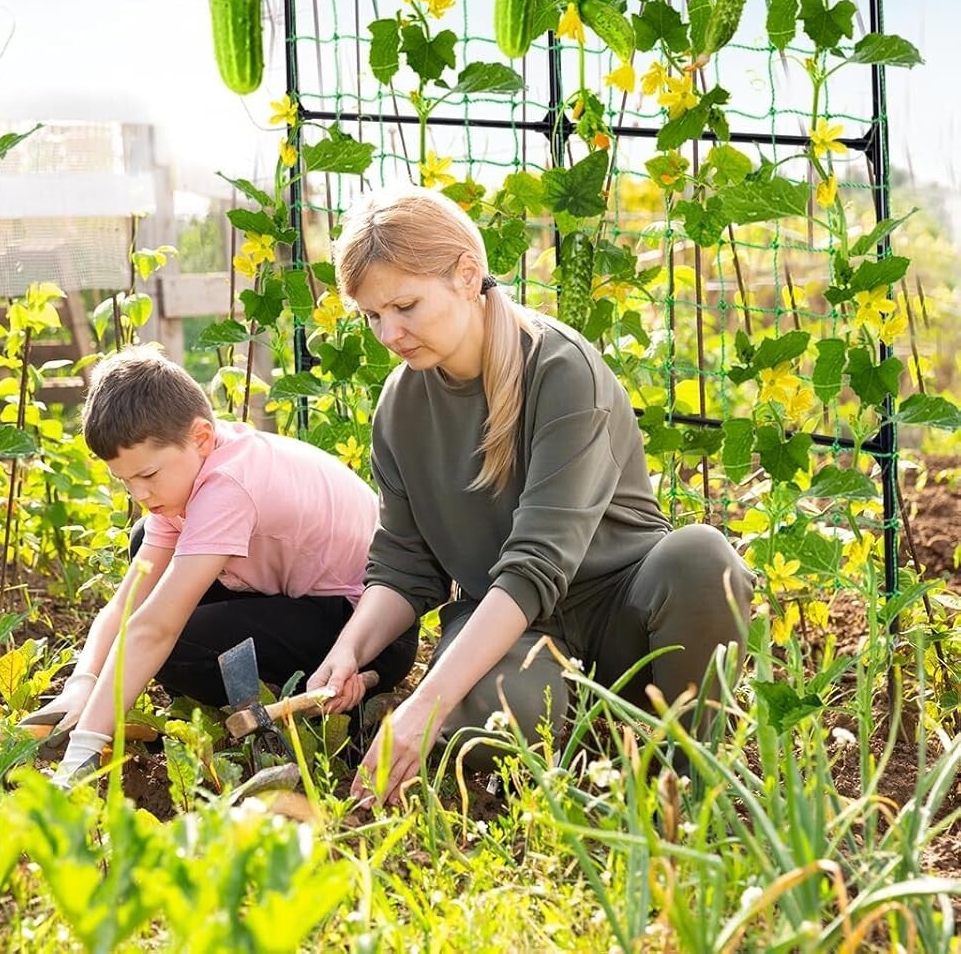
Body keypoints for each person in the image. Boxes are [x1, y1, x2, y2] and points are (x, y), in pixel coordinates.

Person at [307, 188, 753, 806]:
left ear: (467, 275)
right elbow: (406, 566)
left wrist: (425, 705)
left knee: (705, 560)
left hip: (621, 613)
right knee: (502, 718)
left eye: (405, 305)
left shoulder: (561, 369)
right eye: (372, 316)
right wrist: (349, 651)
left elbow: (535, 567)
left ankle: (684, 779)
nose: (390, 332)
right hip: (512, 633)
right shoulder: (401, 406)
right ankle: (584, 753)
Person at [25, 346, 418, 784]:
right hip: (304, 603)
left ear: (201, 437)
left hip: (370, 634)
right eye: (126, 481)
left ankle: (311, 721)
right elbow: (126, 607)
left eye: (148, 476)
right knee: (145, 546)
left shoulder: (228, 485)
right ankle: (215, 698)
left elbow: (154, 628)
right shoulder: (193, 470)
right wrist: (83, 682)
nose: (139, 494)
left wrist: (79, 755)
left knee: (171, 646)